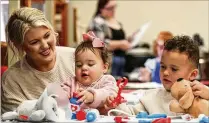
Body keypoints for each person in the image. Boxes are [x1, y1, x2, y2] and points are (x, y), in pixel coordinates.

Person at [104, 35, 209, 116]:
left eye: (174, 69)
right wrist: (117, 105)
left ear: (193, 74)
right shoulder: (151, 98)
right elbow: (130, 114)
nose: (166, 72)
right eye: (163, 66)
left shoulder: (202, 95)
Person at [1, 7, 75, 113]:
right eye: (34, 42)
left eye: (47, 35)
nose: (45, 46)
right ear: (20, 46)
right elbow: (13, 118)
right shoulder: (11, 80)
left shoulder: (75, 58)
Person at [61, 31, 118, 109]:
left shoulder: (107, 80)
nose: (84, 68)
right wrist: (62, 97)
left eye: (90, 64)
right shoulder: (72, 82)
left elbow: (110, 92)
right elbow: (62, 92)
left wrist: (92, 96)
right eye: (79, 65)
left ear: (104, 67)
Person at [87, 0, 131, 78]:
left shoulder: (116, 22)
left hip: (121, 59)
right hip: (108, 61)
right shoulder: (97, 22)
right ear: (101, 8)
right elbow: (99, 44)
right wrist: (121, 44)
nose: (113, 10)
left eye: (114, 7)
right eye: (110, 8)